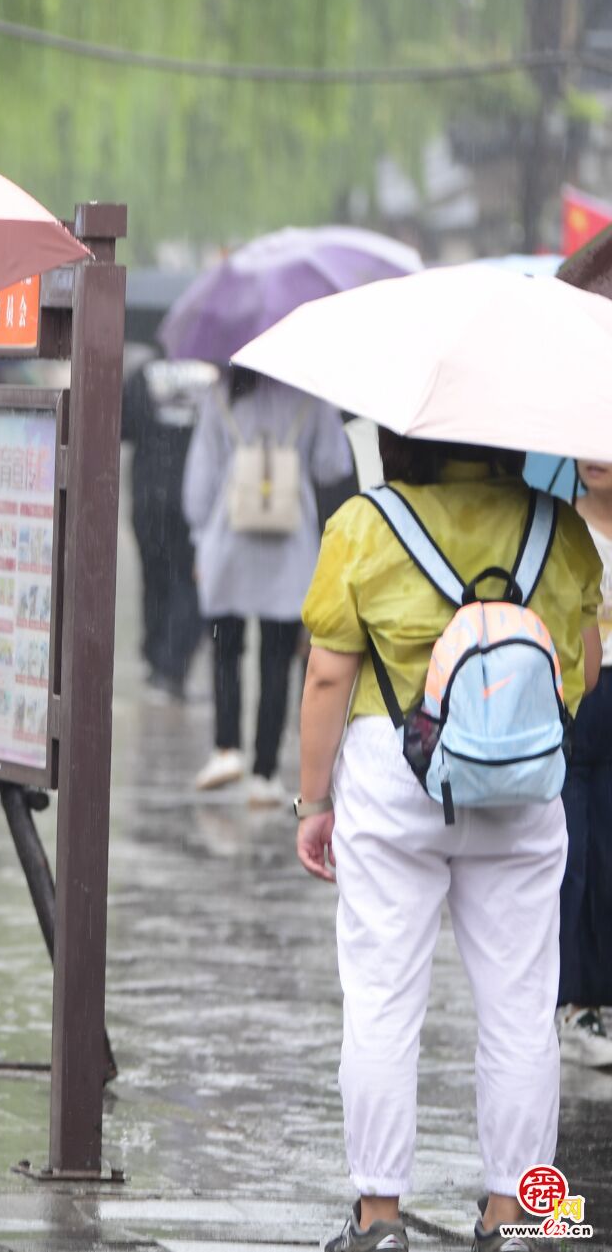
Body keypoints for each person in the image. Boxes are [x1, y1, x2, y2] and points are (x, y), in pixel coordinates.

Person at [296, 432, 603, 1252]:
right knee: (520, 1006)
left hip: (393, 775)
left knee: (383, 1000)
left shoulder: (364, 524)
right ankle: (516, 1214)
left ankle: (380, 1215)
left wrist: (311, 799)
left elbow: (328, 674)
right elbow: (585, 672)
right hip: (523, 792)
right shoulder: (560, 529)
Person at [182, 366, 353, 804]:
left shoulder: (224, 391)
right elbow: (333, 463)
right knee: (277, 661)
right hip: (289, 547)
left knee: (225, 648)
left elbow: (201, 474)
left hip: (228, 541)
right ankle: (265, 772)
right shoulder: (308, 393)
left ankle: (226, 748)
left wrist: (199, 537)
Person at [121, 344, 217, 701]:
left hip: (149, 495)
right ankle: (172, 662)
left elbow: (123, 427)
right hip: (193, 496)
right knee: (189, 582)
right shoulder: (212, 379)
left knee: (154, 577)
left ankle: (155, 655)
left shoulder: (143, 375)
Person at [559, 457, 612, 1066]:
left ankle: (600, 994)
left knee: (607, 855)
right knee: (570, 853)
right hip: (575, 697)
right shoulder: (562, 525)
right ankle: (571, 1002)